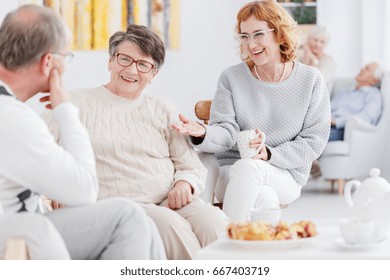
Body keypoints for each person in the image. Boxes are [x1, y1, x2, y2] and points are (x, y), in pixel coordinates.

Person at [42, 24, 228, 260]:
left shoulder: (162, 107)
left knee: (214, 222)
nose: (132, 69)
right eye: (125, 59)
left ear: (153, 74)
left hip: (170, 199)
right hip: (122, 208)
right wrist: (57, 188)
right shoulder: (75, 102)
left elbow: (190, 165)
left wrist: (185, 184)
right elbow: (37, 153)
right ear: (111, 61)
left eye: (143, 64)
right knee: (170, 224)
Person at [0, 5, 165, 260]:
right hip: (14, 239)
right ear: (48, 62)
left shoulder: (11, 113)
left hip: (24, 227)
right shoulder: (13, 119)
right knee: (127, 216)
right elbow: (84, 189)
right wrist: (66, 110)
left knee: (145, 226)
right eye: (67, 56)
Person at [172, 0, 330, 221]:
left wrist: (269, 153)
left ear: (279, 34)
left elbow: (314, 140)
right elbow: (225, 131)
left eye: (258, 34)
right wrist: (202, 132)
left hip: (286, 174)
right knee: (265, 197)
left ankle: (223, 243)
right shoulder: (231, 78)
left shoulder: (311, 80)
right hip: (231, 170)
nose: (250, 44)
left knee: (250, 168)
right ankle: (245, 249)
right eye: (244, 36)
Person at [329, 62, 383, 141]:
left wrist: (336, 121)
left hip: (342, 128)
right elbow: (328, 107)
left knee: (312, 137)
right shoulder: (345, 90)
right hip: (326, 123)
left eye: (367, 69)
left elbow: (365, 118)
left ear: (374, 80)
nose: (361, 69)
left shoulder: (374, 95)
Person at [298, 25, 337, 93]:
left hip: (320, 99)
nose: (318, 44)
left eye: (322, 42)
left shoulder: (329, 61)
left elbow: (317, 82)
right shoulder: (300, 59)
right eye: (315, 40)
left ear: (325, 44)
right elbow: (298, 81)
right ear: (308, 40)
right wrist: (307, 57)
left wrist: (313, 59)